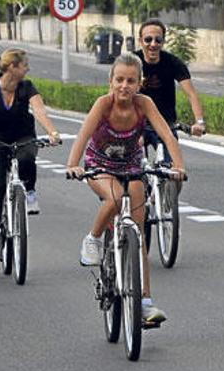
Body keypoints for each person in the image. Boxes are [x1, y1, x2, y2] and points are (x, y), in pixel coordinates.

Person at [66, 53, 186, 324]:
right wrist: (73, 165)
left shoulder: (144, 105)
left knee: (139, 235)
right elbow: (83, 135)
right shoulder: (103, 104)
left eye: (131, 81)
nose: (124, 86)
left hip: (132, 166)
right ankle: (93, 239)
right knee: (116, 199)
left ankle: (144, 302)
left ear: (139, 83)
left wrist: (178, 166)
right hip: (99, 165)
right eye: (119, 80)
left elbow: (166, 135)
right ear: (111, 81)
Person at [0, 48, 61, 262]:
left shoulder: (27, 87)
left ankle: (30, 192)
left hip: (22, 136)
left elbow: (40, 111)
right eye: (24, 64)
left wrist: (52, 132)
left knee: (27, 156)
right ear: (12, 67)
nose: (28, 68)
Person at [134, 19, 206, 166]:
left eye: (158, 40)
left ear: (163, 42)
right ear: (140, 41)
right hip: (135, 123)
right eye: (148, 39)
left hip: (166, 124)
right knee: (131, 168)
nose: (153, 44)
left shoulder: (173, 63)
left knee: (174, 170)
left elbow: (191, 94)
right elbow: (116, 91)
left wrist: (199, 122)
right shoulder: (131, 62)